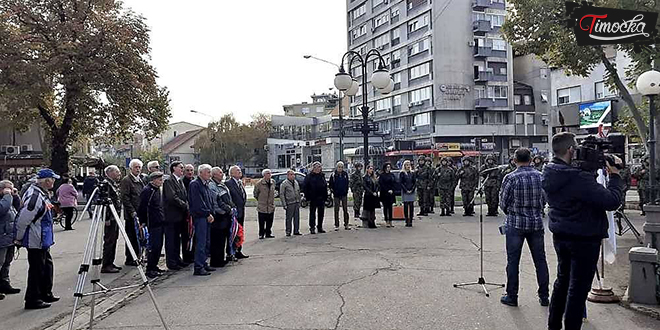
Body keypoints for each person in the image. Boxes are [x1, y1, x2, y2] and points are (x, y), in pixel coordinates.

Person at [543, 132, 623, 330]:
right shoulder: (577, 178)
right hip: (584, 238)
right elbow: (611, 201)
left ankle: (553, 325)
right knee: (578, 289)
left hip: (561, 235)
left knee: (562, 282)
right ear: (571, 150)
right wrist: (614, 176)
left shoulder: (550, 171)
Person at [498, 148, 549, 307]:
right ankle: (544, 296)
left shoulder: (510, 178)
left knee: (513, 261)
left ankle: (512, 296)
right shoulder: (540, 177)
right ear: (531, 159)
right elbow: (545, 199)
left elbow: (503, 203)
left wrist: (513, 212)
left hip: (515, 224)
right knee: (540, 261)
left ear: (514, 160)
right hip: (535, 223)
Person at [14, 169, 60, 309]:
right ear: (47, 181)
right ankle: (33, 299)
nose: (54, 181)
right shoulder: (35, 196)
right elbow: (23, 219)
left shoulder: (41, 193)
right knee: (37, 269)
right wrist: (18, 238)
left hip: (42, 238)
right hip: (36, 239)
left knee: (46, 266)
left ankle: (45, 293)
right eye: (53, 179)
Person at [138, 172, 166, 279]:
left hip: (160, 220)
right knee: (153, 246)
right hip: (152, 222)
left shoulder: (157, 190)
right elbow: (142, 207)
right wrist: (143, 221)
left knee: (158, 246)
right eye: (159, 180)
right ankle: (150, 268)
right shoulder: (147, 191)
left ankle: (155, 266)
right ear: (153, 180)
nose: (161, 181)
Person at [189, 164, 216, 276]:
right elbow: (198, 202)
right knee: (201, 242)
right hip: (200, 217)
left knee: (206, 242)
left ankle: (203, 263)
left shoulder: (206, 184)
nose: (210, 174)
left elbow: (209, 199)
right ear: (201, 173)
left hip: (207, 216)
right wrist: (207, 213)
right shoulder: (195, 184)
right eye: (208, 172)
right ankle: (198, 266)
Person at [162, 161, 189, 271]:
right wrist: (185, 205)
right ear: (174, 168)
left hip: (180, 216)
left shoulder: (180, 181)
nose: (183, 169)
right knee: (171, 240)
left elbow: (183, 195)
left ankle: (178, 259)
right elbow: (172, 197)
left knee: (177, 240)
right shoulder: (169, 181)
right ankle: (171, 262)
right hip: (171, 216)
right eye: (180, 168)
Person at [120, 159, 145, 267]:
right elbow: (125, 197)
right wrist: (132, 211)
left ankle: (138, 256)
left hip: (140, 212)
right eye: (136, 167)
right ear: (130, 168)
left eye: (139, 167)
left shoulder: (140, 180)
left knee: (140, 236)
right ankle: (130, 258)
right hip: (132, 214)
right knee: (132, 236)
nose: (138, 169)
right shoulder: (127, 180)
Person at [208, 167, 234, 267]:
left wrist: (231, 208)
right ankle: (216, 261)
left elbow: (228, 199)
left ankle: (221, 258)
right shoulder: (212, 186)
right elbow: (215, 203)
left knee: (222, 239)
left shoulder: (222, 184)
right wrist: (224, 211)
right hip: (218, 216)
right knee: (217, 240)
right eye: (220, 172)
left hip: (225, 215)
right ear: (214, 175)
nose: (222, 174)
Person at [101, 166, 124, 274]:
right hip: (110, 217)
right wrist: (106, 218)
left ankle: (111, 262)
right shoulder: (106, 184)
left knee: (114, 239)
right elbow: (103, 202)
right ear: (110, 173)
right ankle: (106, 264)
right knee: (109, 240)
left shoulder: (113, 183)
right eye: (117, 172)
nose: (119, 173)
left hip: (116, 216)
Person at [0, 180, 20, 297]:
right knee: (0, 262)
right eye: (8, 189)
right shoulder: (4, 201)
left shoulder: (9, 200)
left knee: (7, 262)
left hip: (10, 237)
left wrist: (15, 196)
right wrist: (7, 196)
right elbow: (2, 209)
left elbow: (19, 207)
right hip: (2, 237)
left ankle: (5, 284)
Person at [225, 165, 249, 259]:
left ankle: (238, 250)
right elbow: (228, 199)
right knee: (232, 233)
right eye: (237, 170)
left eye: (240, 170)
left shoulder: (240, 183)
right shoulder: (228, 184)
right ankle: (231, 252)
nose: (240, 171)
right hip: (233, 213)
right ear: (231, 173)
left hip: (241, 212)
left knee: (239, 232)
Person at [303, 162, 328, 234]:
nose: (317, 169)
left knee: (321, 213)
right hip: (313, 198)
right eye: (316, 167)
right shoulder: (309, 176)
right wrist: (307, 197)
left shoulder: (322, 176)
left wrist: (325, 197)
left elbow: (325, 187)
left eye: (319, 167)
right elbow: (305, 187)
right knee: (312, 213)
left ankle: (320, 227)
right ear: (313, 168)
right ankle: (312, 227)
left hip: (321, 198)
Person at [254, 169, 276, 239]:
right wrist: (260, 200)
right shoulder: (259, 183)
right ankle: (261, 233)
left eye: (270, 173)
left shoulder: (273, 182)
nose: (269, 175)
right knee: (262, 222)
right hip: (262, 206)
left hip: (270, 205)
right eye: (267, 173)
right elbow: (255, 194)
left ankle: (268, 233)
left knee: (270, 221)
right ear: (264, 175)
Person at [329, 161, 351, 231]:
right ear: (336, 167)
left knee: (345, 209)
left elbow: (347, 183)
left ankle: (346, 224)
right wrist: (333, 191)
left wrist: (346, 191)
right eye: (339, 167)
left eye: (341, 167)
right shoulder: (333, 175)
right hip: (336, 195)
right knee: (336, 210)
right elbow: (330, 184)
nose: (340, 168)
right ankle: (336, 225)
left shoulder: (345, 174)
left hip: (344, 194)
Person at [181, 163, 195, 263]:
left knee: (194, 235)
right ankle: (187, 256)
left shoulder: (194, 182)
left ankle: (193, 254)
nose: (190, 172)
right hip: (186, 213)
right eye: (187, 170)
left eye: (191, 170)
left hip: (195, 212)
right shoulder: (182, 182)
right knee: (187, 235)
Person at [280, 170, 302, 236]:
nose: (293, 176)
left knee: (296, 218)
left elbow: (298, 191)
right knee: (289, 218)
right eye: (291, 174)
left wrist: (299, 201)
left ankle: (296, 231)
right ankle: (288, 231)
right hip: (289, 203)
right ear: (288, 175)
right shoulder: (284, 184)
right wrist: (284, 204)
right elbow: (281, 194)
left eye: (293, 174)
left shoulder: (296, 182)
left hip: (296, 202)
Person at [378, 163, 396, 228]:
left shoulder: (392, 175)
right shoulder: (382, 175)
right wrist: (387, 190)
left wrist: (392, 189)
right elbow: (381, 184)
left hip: (391, 193)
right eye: (387, 167)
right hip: (384, 193)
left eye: (389, 167)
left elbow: (394, 183)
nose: (389, 168)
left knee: (390, 207)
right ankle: (387, 221)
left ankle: (391, 220)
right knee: (385, 207)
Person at [399, 160, 416, 227]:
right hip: (405, 191)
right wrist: (406, 190)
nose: (408, 166)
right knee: (406, 206)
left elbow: (414, 182)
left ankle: (411, 220)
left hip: (411, 190)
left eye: (409, 165)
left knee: (411, 206)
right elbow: (401, 183)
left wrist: (412, 189)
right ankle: (406, 220)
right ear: (404, 166)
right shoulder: (402, 173)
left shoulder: (412, 173)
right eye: (406, 165)